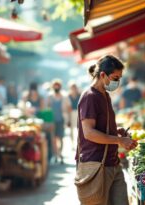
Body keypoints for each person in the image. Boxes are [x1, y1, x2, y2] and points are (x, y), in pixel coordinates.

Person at [76, 55, 137, 205]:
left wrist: (117, 130)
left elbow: (101, 127)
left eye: (120, 78)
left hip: (113, 163)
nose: (118, 82)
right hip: (96, 165)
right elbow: (89, 133)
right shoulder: (90, 97)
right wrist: (119, 140)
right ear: (102, 75)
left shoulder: (105, 96)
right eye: (115, 77)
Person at [48, 79, 71, 164]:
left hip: (61, 119)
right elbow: (47, 107)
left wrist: (69, 120)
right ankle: (55, 155)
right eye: (55, 85)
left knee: (61, 138)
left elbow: (69, 108)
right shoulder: (50, 97)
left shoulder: (64, 97)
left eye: (58, 85)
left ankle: (60, 154)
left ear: (60, 87)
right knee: (53, 139)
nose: (56, 87)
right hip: (52, 120)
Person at [68, 81, 81, 149]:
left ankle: (78, 143)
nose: (73, 89)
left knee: (79, 128)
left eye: (74, 87)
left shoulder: (79, 95)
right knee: (71, 129)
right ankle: (72, 144)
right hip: (71, 113)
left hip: (78, 113)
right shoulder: (68, 96)